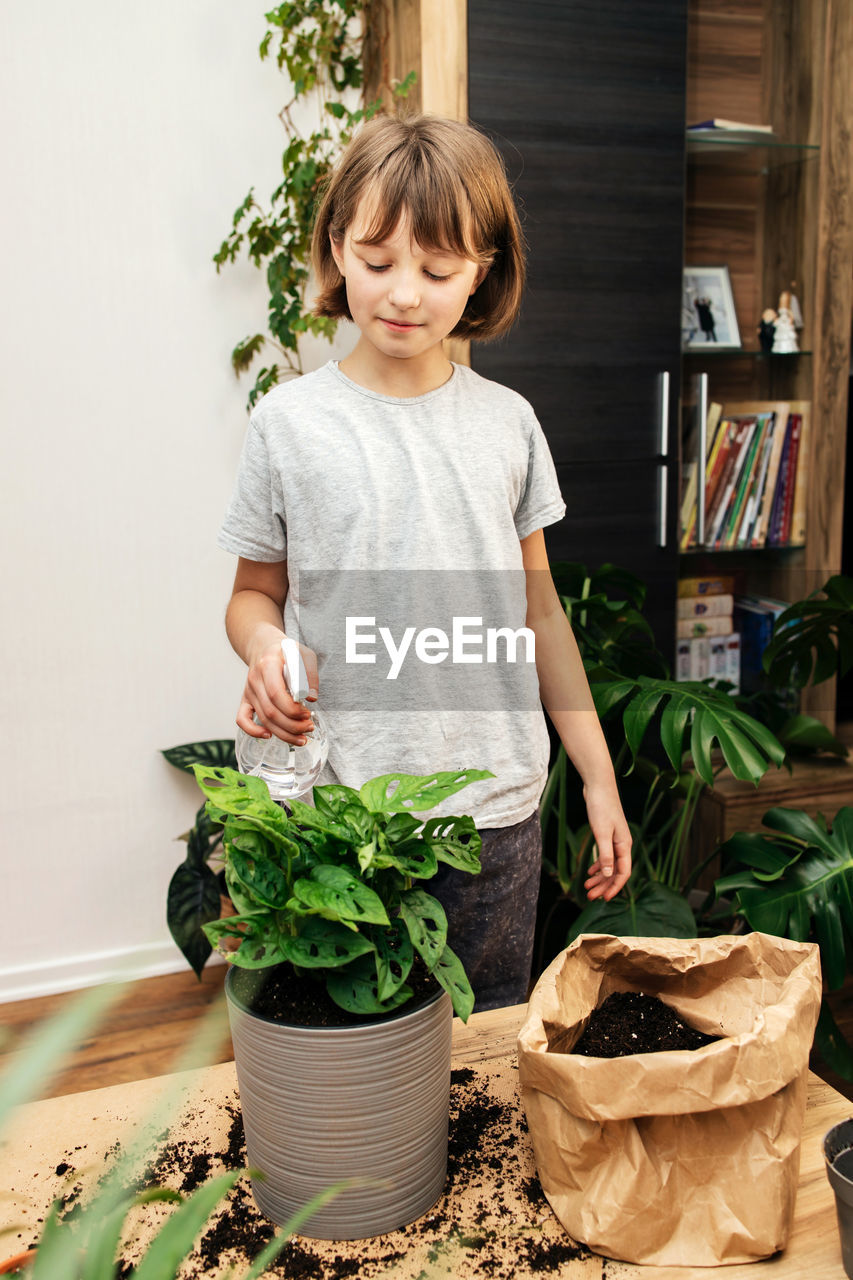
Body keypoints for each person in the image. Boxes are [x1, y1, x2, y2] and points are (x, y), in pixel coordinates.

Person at [217, 114, 632, 1010]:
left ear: (481, 269)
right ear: (336, 251)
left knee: (477, 1066)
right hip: (334, 814)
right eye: (376, 261)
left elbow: (541, 615)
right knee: (339, 1077)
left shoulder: (508, 425)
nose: (404, 293)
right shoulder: (287, 424)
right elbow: (253, 596)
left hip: (490, 817)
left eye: (437, 270)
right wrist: (261, 651)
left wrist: (596, 776)